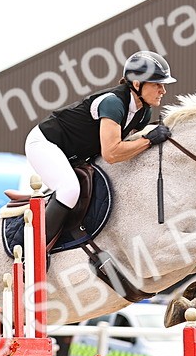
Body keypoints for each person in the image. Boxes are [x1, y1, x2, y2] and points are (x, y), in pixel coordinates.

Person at [25, 51, 176, 245]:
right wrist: (148, 140)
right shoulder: (113, 103)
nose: (163, 90)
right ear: (137, 84)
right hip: (45, 143)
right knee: (69, 190)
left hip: (74, 153)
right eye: (157, 84)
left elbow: (129, 148)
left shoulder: (143, 112)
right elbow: (112, 153)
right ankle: (34, 251)